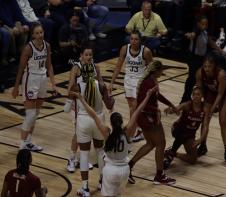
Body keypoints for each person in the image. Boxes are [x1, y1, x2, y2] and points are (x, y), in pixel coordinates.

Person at [70, 85, 158, 197]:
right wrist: (148, 96)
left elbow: (93, 114)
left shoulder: (107, 132)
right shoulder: (127, 132)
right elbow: (138, 110)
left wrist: (81, 99)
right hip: (125, 170)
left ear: (111, 123)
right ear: (121, 122)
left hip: (111, 170)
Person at [64, 45, 107, 197]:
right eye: (86, 54)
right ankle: (101, 182)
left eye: (90, 54)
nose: (89, 57)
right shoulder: (77, 68)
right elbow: (104, 90)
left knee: (84, 152)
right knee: (100, 150)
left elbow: (71, 92)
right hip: (95, 114)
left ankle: (86, 188)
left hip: (84, 112)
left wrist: (70, 100)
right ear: (81, 56)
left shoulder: (94, 70)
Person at [128, 60, 178, 185]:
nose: (163, 72)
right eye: (162, 70)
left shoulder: (152, 80)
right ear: (156, 71)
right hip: (146, 116)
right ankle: (159, 175)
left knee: (151, 143)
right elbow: (142, 105)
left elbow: (157, 95)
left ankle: (129, 166)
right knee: (161, 143)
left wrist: (170, 104)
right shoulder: (148, 83)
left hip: (148, 116)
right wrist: (157, 110)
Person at [12, 22, 57, 152]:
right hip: (30, 80)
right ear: (32, 35)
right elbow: (20, 69)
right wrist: (16, 87)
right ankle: (22, 144)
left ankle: (29, 141)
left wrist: (53, 84)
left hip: (43, 79)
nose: (39, 35)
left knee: (36, 113)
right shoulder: (28, 48)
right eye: (37, 33)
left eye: (41, 32)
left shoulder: (47, 45)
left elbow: (49, 65)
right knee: (30, 114)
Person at [108, 30, 153, 142]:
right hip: (127, 81)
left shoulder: (146, 51)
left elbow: (152, 68)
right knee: (132, 108)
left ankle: (129, 135)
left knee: (134, 108)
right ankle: (139, 130)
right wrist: (112, 82)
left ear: (140, 40)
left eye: (136, 39)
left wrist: (150, 83)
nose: (133, 41)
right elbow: (118, 66)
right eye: (131, 39)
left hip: (139, 82)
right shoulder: (124, 49)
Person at [180, 15, 226, 104]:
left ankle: (208, 101)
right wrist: (190, 35)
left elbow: (211, 43)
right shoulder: (198, 31)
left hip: (201, 58)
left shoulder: (204, 32)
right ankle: (184, 101)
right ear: (198, 24)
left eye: (206, 24)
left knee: (204, 79)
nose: (205, 26)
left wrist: (222, 52)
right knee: (191, 80)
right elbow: (194, 34)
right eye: (203, 24)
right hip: (194, 59)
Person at [195, 54, 226, 164]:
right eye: (205, 66)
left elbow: (220, 94)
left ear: (214, 66)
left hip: (224, 94)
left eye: (209, 66)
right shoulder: (199, 73)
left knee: (222, 121)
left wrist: (212, 109)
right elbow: (199, 90)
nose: (206, 69)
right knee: (205, 119)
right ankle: (203, 146)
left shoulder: (221, 74)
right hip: (210, 92)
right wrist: (200, 105)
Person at [163, 86, 208, 169]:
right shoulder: (187, 105)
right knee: (182, 133)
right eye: (194, 94)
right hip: (177, 129)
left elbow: (205, 126)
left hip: (190, 135)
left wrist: (200, 139)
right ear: (192, 96)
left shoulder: (204, 108)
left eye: (198, 94)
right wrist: (170, 110)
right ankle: (171, 154)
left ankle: (172, 153)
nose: (195, 96)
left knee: (193, 160)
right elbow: (177, 109)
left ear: (202, 96)